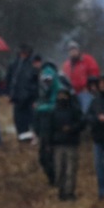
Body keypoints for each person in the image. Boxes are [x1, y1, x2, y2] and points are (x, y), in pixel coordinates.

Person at [32, 54, 67, 184]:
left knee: (52, 156)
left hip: (55, 133)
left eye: (48, 81)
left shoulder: (61, 95)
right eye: (44, 81)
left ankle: (57, 180)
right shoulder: (40, 101)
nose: (46, 83)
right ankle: (54, 180)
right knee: (44, 157)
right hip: (45, 131)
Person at [48, 87, 85, 201]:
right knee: (59, 170)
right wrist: (49, 143)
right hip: (58, 144)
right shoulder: (54, 111)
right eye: (60, 96)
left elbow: (81, 123)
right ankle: (61, 191)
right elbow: (49, 128)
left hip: (71, 144)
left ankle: (69, 193)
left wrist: (71, 128)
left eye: (64, 95)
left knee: (70, 170)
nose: (62, 98)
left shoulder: (74, 110)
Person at [5, 43, 39, 140]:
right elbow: (9, 79)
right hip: (17, 99)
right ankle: (22, 140)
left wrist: (32, 95)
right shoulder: (14, 64)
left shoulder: (32, 65)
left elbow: (36, 82)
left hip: (29, 99)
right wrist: (8, 93)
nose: (23, 54)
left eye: (25, 52)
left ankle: (30, 140)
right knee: (18, 121)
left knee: (29, 121)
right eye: (22, 52)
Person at [63, 42, 101, 113]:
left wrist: (91, 86)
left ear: (78, 50)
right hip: (72, 93)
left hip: (85, 91)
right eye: (71, 50)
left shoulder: (87, 59)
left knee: (86, 110)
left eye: (74, 49)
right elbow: (64, 79)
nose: (73, 52)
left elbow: (94, 73)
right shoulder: (66, 65)